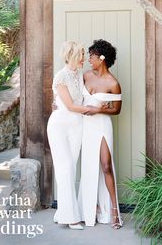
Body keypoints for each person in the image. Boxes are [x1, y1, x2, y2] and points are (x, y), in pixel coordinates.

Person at [47, 41, 98, 230]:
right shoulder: (61, 76)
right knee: (65, 168)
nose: (84, 59)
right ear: (72, 56)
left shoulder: (79, 75)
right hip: (60, 126)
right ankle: (70, 218)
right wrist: (93, 109)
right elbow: (69, 106)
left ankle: (62, 210)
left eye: (85, 55)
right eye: (81, 56)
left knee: (71, 168)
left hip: (77, 126)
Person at [78, 39, 123, 229]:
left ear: (102, 58)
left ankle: (114, 211)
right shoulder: (86, 76)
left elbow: (117, 110)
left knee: (105, 166)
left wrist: (99, 110)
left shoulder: (113, 83)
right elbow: (74, 96)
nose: (89, 60)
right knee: (88, 166)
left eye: (92, 56)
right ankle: (90, 208)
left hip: (103, 126)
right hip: (85, 126)